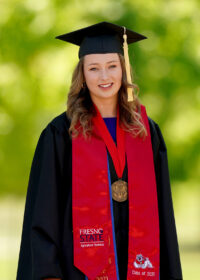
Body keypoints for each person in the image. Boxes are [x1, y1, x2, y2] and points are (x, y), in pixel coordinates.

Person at [16, 22, 183, 280]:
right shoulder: (61, 133)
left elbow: (164, 215)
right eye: (93, 68)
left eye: (112, 66)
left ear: (123, 70)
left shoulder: (146, 131)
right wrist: (49, 273)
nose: (104, 77)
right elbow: (44, 210)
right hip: (77, 272)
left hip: (141, 266)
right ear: (82, 75)